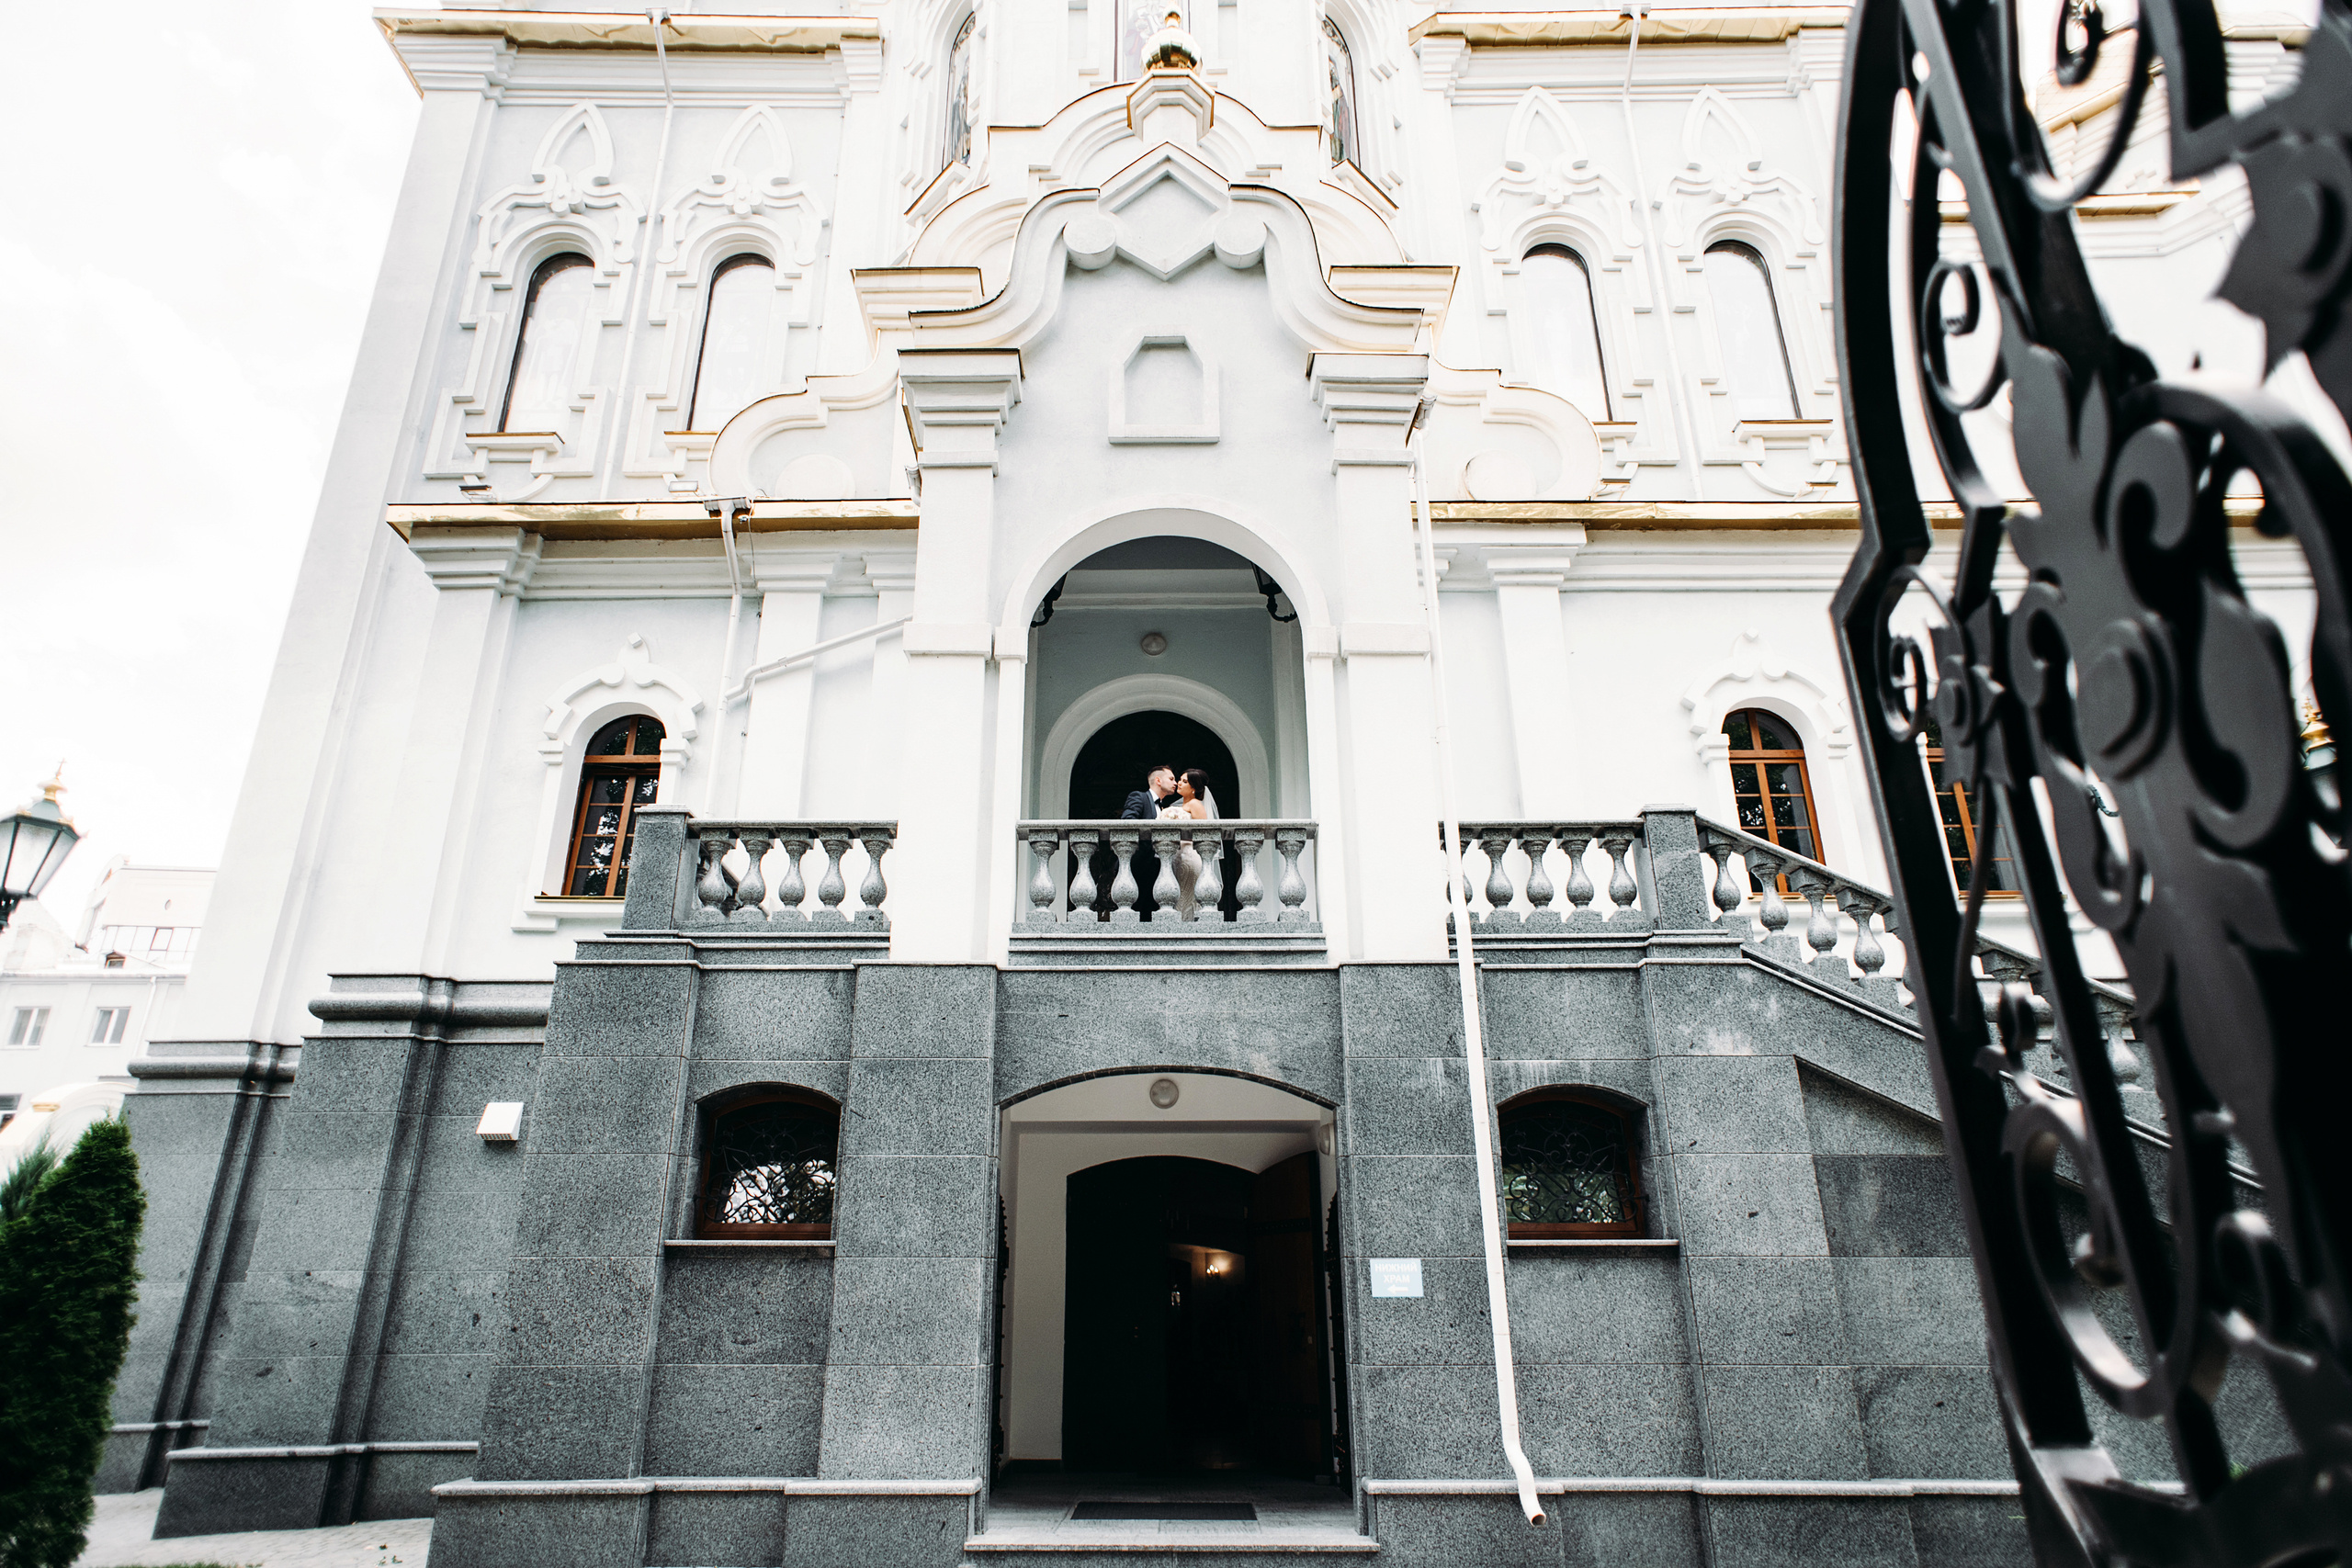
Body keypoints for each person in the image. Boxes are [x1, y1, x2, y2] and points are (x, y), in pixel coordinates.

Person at [1159, 767, 1217, 919]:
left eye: (1184, 782)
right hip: (1178, 856)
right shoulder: (1182, 805)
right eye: (1180, 780)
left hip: (1190, 857)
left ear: (1193, 788)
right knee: (1179, 897)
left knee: (1187, 896)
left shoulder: (1196, 804)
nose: (1179, 783)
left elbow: (1203, 833)